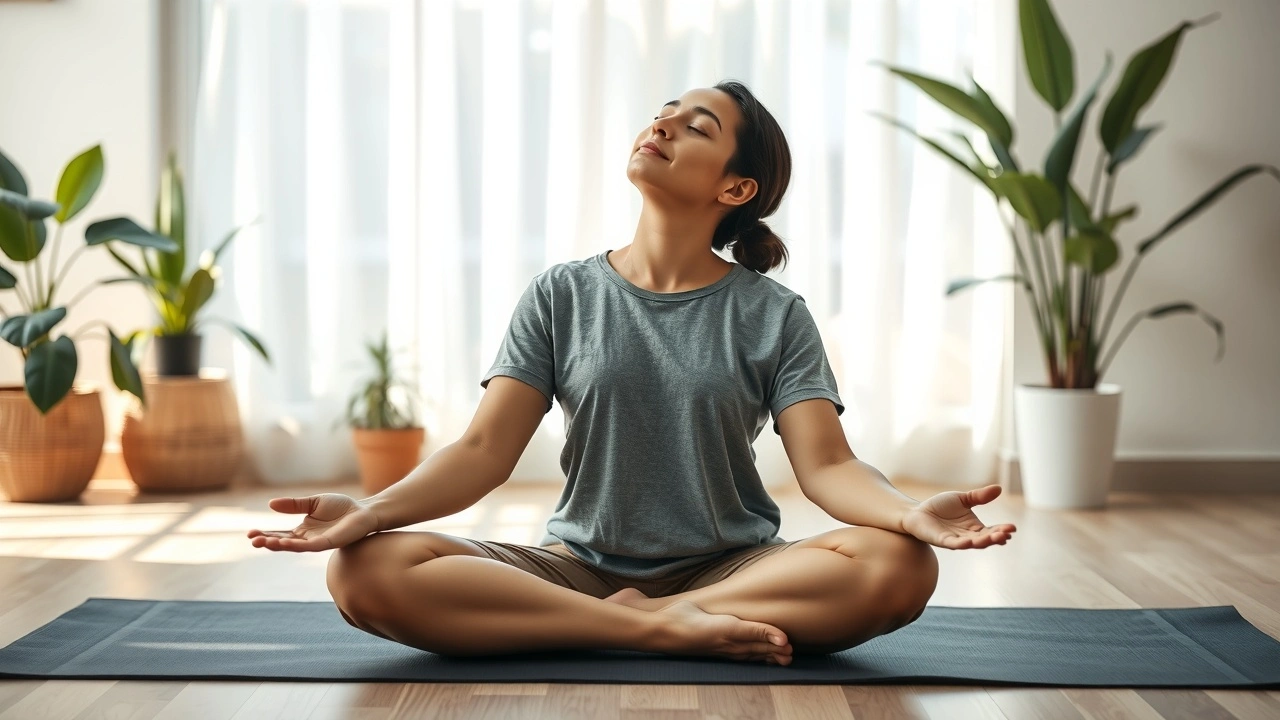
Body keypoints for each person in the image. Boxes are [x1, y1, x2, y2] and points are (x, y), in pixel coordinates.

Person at [247, 81, 1016, 666]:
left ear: (735, 189)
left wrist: (908, 514)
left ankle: (667, 618)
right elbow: (483, 453)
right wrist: (373, 512)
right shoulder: (563, 293)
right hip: (576, 568)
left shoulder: (774, 314)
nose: (664, 124)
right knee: (364, 572)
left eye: (697, 127)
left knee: (898, 566)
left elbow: (829, 466)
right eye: (667, 112)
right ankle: (649, 630)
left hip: (735, 570)